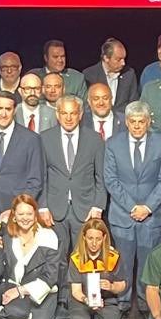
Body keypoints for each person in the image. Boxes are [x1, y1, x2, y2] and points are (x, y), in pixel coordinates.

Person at [103, 101, 161, 308]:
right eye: (132, 122)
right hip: (123, 215)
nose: (136, 126)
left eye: (141, 122)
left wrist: (147, 207)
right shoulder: (113, 143)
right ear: (126, 122)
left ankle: (145, 303)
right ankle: (123, 302)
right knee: (123, 263)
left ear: (148, 121)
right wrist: (132, 207)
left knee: (147, 263)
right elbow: (111, 180)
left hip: (151, 216)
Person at [38, 96, 106, 265]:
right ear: (57, 114)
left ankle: (79, 292)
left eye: (73, 113)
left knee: (83, 258)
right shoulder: (44, 138)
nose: (69, 118)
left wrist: (98, 206)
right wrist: (43, 206)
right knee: (56, 259)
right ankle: (60, 292)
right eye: (64, 113)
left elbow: (101, 176)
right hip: (54, 210)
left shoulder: (95, 139)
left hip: (85, 209)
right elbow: (42, 176)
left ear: (80, 114)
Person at [0, 195, 61, 319]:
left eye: (29, 214)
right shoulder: (6, 235)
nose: (25, 218)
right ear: (14, 215)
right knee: (13, 313)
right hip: (14, 289)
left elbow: (51, 277)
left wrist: (21, 291)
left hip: (42, 292)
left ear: (35, 214)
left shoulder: (48, 236)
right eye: (20, 214)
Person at [0, 90, 44, 221]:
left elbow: (35, 180)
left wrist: (20, 208)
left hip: (16, 211)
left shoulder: (31, 139)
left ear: (15, 110)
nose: (3, 114)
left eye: (8, 109)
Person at [67, 218, 127, 319]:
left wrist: (111, 286)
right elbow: (75, 291)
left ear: (104, 238)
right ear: (84, 238)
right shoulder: (76, 258)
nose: (94, 243)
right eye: (90, 238)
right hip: (82, 301)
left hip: (106, 302)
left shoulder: (113, 257)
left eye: (98, 239)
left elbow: (122, 285)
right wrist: (86, 300)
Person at [82, 39, 139, 108]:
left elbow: (134, 103)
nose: (123, 63)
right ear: (106, 58)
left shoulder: (129, 74)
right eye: (118, 59)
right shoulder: (89, 75)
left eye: (124, 59)